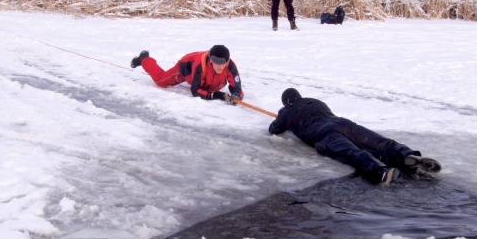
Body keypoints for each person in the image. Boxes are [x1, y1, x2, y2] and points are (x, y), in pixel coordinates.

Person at [267, 88, 441, 186]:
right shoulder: (315, 101)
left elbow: (274, 129)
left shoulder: (286, 112)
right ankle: (407, 155)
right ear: (300, 96)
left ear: (286, 102)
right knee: (381, 143)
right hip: (343, 124)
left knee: (352, 152)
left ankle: (381, 172)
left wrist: (283, 116)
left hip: (324, 133)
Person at [129, 45, 244, 102]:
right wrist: (216, 95)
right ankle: (144, 59)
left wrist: (236, 96)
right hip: (186, 68)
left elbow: (237, 88)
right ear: (210, 59)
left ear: (227, 61)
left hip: (208, 81)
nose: (219, 66)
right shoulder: (200, 65)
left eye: (222, 63)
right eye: (216, 62)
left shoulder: (231, 66)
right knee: (160, 81)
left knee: (209, 86)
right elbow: (195, 91)